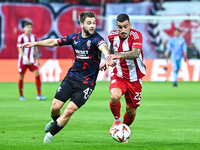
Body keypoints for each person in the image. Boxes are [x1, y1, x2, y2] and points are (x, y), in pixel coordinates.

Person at [21, 11, 115, 143]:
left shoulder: (97, 39)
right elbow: (54, 42)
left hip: (86, 84)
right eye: (89, 23)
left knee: (69, 111)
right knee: (55, 107)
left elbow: (103, 47)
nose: (92, 26)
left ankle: (49, 137)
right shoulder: (74, 38)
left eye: (94, 23)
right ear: (81, 24)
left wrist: (107, 56)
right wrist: (35, 43)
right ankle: (55, 122)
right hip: (71, 78)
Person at [100, 14, 146, 143]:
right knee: (114, 96)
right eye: (120, 27)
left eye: (126, 26)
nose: (123, 30)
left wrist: (116, 56)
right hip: (119, 74)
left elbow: (135, 53)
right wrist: (107, 59)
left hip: (135, 78)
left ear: (130, 25)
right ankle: (117, 121)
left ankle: (123, 129)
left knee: (131, 111)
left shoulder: (136, 36)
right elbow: (111, 49)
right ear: (117, 27)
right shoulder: (112, 36)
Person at [17, 21, 47, 101]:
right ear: (24, 28)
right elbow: (20, 49)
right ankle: (21, 95)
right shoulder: (21, 37)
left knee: (37, 74)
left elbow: (36, 49)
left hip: (32, 60)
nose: (29, 29)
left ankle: (39, 95)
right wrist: (25, 58)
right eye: (27, 27)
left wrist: (37, 59)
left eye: (30, 27)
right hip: (23, 61)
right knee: (21, 76)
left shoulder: (34, 37)